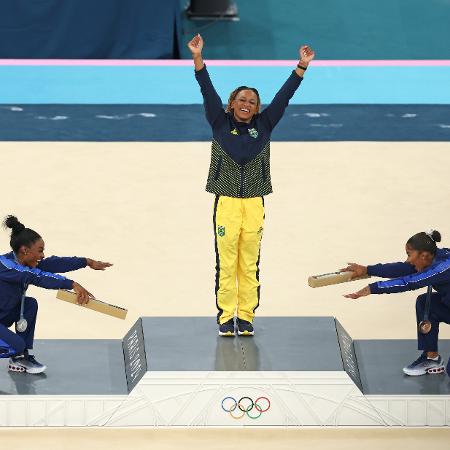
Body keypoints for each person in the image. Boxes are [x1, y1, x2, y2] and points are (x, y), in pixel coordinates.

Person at [187, 34, 315, 337]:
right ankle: (224, 316)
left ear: (257, 109)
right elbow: (206, 90)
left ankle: (245, 316)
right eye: (242, 100)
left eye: (252, 102)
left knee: (249, 263)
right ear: (232, 104)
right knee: (227, 261)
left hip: (255, 203)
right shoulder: (219, 121)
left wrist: (301, 66)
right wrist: (197, 58)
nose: (247, 104)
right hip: (227, 204)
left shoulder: (265, 124)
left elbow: (284, 97)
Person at [0, 215, 112, 374]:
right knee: (16, 344)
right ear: (25, 250)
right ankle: (18, 351)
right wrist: (72, 284)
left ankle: (20, 359)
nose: (42, 255)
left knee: (30, 304)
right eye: (40, 251)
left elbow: (53, 263)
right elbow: (36, 277)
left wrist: (87, 262)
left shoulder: (23, 261)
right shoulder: (6, 266)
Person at [342, 230, 450, 376]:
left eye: (409, 255)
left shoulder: (444, 267)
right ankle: (432, 358)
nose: (408, 260)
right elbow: (403, 268)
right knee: (425, 302)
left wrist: (372, 288)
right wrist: (367, 270)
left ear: (423, 255)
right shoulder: (432, 257)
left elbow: (410, 282)